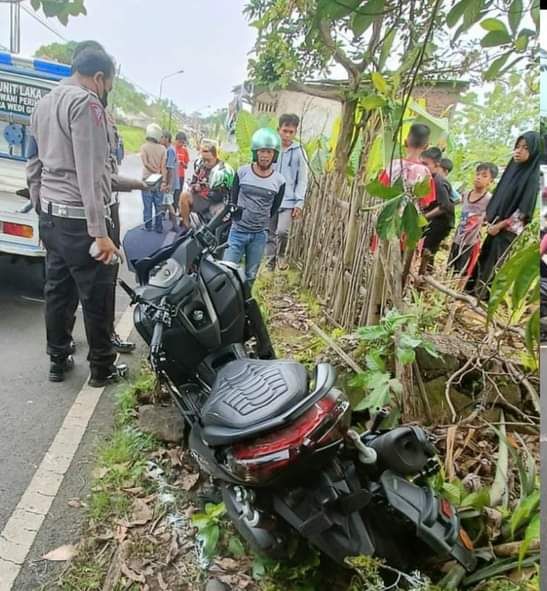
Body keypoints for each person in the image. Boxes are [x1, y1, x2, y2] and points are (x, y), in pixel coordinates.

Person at [26, 45, 125, 387]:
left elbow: (33, 164)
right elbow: (91, 173)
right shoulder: (87, 104)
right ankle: (101, 368)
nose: (106, 92)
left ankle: (58, 359)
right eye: (108, 85)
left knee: (57, 291)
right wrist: (100, 232)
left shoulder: (43, 104)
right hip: (82, 222)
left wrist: (42, 209)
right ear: (99, 78)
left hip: (52, 218)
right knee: (96, 296)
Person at [473, 131, 541, 298]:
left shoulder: (532, 177)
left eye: (525, 148)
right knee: (483, 260)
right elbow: (499, 197)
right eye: (517, 146)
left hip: (507, 230)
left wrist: (500, 225)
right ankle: (470, 295)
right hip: (495, 225)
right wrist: (488, 218)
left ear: (534, 151)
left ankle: (478, 303)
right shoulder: (512, 169)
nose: (519, 151)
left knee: (492, 265)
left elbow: (523, 211)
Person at [224, 128, 286, 285]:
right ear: (255, 152)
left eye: (269, 152)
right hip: (238, 231)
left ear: (274, 155)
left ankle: (242, 306)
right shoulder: (242, 173)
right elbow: (233, 199)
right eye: (262, 151)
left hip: (259, 235)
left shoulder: (279, 181)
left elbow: (274, 208)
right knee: (226, 272)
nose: (265, 156)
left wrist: (261, 222)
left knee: (250, 276)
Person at [266, 113, 308, 271]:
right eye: (285, 130)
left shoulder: (299, 152)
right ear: (278, 130)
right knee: (269, 232)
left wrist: (299, 202)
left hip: (289, 200)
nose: (287, 135)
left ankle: (281, 255)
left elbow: (302, 179)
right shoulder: (270, 149)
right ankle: (270, 264)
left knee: (282, 231)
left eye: (291, 132)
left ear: (295, 132)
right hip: (270, 198)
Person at [448, 163, 498, 284]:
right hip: (458, 237)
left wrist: (482, 221)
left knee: (464, 270)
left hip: (472, 240)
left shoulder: (489, 199)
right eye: (477, 174)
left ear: (490, 181)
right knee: (451, 266)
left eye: (484, 176)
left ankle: (456, 293)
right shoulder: (466, 194)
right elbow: (454, 201)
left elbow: (491, 217)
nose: (478, 177)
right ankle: (446, 289)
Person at [420, 147, 455, 274]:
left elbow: (444, 206)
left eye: (426, 164)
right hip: (436, 220)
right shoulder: (430, 179)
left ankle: (425, 278)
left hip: (441, 222)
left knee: (428, 250)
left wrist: (425, 217)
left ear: (437, 165)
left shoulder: (438, 181)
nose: (423, 167)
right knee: (426, 249)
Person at [179, 141, 227, 228]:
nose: (206, 163)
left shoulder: (221, 171)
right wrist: (195, 187)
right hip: (199, 197)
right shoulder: (200, 166)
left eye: (208, 160)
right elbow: (193, 181)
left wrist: (205, 190)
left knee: (185, 196)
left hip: (210, 200)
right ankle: (186, 225)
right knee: (184, 195)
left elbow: (221, 194)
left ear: (215, 156)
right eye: (204, 160)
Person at [140, 123, 167, 232]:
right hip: (159, 179)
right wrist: (163, 180)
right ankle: (159, 226)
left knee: (147, 205)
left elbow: (146, 163)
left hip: (147, 179)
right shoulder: (163, 149)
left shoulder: (144, 147)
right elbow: (164, 166)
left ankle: (148, 226)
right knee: (158, 204)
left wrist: (154, 171)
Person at [160, 130, 179, 224]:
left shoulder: (170, 150)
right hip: (170, 181)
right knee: (165, 201)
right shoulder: (169, 149)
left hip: (170, 181)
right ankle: (160, 220)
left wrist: (169, 184)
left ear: (167, 138)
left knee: (168, 202)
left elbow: (170, 168)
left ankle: (175, 224)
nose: (160, 139)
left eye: (162, 137)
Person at [174, 132, 190, 209]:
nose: (181, 144)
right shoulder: (172, 149)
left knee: (178, 193)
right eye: (180, 142)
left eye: (183, 143)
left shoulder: (185, 151)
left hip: (181, 176)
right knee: (170, 193)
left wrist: (183, 164)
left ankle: (174, 209)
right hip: (172, 175)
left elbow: (186, 166)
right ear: (176, 140)